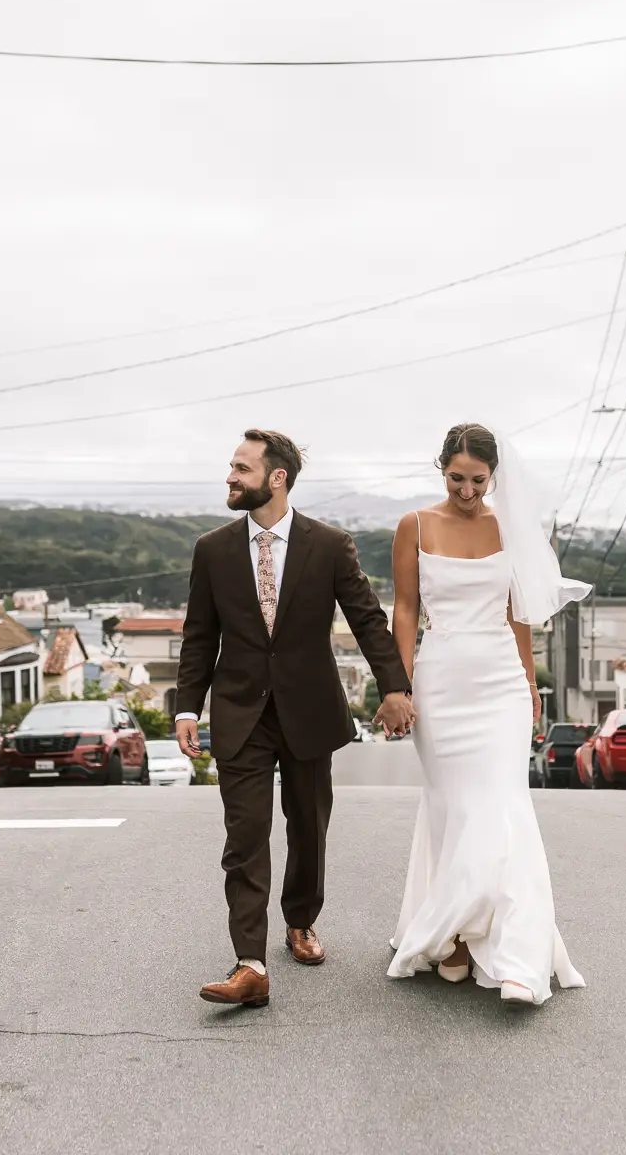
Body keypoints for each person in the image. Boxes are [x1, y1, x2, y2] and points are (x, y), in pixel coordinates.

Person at [175, 429, 417, 1008]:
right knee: (245, 835)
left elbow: (367, 619)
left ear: (276, 477)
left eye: (240, 468)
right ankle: (249, 963)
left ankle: (301, 921)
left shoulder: (329, 545)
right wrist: (187, 705)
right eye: (231, 467)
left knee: (309, 827)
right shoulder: (212, 549)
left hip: (308, 709)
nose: (230, 477)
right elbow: (198, 634)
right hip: (240, 712)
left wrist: (394, 687)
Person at [385, 423, 589, 1006]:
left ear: (493, 477)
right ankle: (451, 938)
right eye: (456, 478)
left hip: (500, 682)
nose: (467, 490)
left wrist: (528, 685)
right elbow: (404, 609)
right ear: (440, 470)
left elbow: (519, 612)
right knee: (453, 810)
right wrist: (398, 687)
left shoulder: (511, 528)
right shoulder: (414, 526)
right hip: (441, 680)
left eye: (478, 480)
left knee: (503, 808)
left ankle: (519, 956)